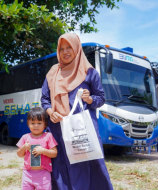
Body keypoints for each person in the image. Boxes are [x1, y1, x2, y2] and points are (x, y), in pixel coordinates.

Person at [41, 33, 114, 190]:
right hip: (57, 127)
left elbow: (100, 98)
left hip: (81, 129)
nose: (65, 52)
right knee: (59, 165)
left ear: (77, 49)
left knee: (84, 164)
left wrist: (89, 99)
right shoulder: (53, 73)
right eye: (62, 49)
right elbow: (45, 99)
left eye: (69, 47)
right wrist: (49, 111)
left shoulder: (89, 72)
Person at [16, 107, 58, 190]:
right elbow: (19, 154)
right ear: (28, 123)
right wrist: (24, 147)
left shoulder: (48, 136)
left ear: (45, 124)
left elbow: (54, 153)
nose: (36, 125)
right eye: (32, 123)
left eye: (39, 123)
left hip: (43, 174)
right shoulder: (25, 137)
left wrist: (43, 151)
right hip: (27, 173)